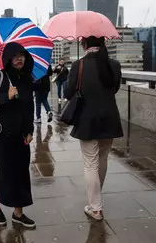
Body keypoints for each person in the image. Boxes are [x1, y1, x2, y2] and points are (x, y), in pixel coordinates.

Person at [64, 36, 123, 221]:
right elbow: (115, 89)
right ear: (103, 44)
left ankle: (95, 207)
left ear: (85, 45)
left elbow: (68, 93)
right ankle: (96, 198)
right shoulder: (114, 64)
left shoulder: (79, 65)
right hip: (110, 118)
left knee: (90, 163)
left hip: (88, 121)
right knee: (102, 160)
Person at [0, 42, 36, 228]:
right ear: (8, 58)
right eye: (15, 55)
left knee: (21, 172)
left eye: (22, 55)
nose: (19, 58)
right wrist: (7, 97)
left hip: (21, 135)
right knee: (5, 171)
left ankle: (18, 213)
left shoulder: (27, 78)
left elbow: (29, 107)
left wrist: (30, 130)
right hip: (2, 133)